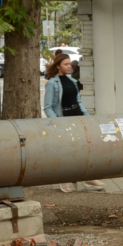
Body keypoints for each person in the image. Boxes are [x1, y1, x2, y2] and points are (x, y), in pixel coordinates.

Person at [44, 53, 105, 190]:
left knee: (85, 149)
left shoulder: (72, 82)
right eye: (66, 64)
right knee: (67, 151)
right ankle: (64, 179)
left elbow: (78, 101)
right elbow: (48, 108)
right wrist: (58, 123)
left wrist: (88, 118)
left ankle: (88, 178)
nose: (69, 67)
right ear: (58, 66)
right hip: (64, 120)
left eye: (70, 64)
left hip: (77, 117)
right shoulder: (52, 83)